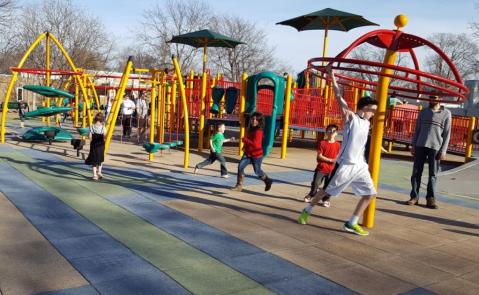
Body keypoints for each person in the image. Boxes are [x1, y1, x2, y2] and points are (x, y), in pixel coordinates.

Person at [297, 65, 378, 236]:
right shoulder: (351, 118)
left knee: (371, 194)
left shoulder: (367, 123)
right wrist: (331, 75)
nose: (373, 114)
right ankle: (307, 210)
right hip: (345, 165)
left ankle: (351, 223)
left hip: (360, 165)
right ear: (365, 108)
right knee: (326, 191)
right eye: (372, 110)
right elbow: (338, 96)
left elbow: (361, 141)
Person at [406, 95, 451, 209]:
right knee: (416, 172)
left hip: (435, 147)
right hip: (420, 145)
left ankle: (430, 198)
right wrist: (414, 145)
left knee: (433, 174)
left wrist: (443, 149)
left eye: (435, 97)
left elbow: (447, 134)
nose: (432, 99)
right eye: (430, 97)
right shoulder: (423, 112)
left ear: (440, 99)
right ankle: (414, 197)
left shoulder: (446, 113)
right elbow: (417, 129)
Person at [230, 112, 273, 192]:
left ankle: (267, 181)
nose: (254, 121)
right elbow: (249, 140)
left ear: (260, 122)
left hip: (256, 155)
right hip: (248, 153)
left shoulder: (258, 132)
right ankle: (239, 186)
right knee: (240, 167)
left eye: (256, 119)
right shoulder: (251, 129)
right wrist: (244, 146)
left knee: (257, 171)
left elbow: (255, 145)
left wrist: (245, 140)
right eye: (253, 119)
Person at [303, 124, 341, 208]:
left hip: (332, 169)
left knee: (328, 185)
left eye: (334, 130)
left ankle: (326, 199)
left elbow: (338, 155)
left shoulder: (338, 145)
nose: (331, 132)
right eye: (329, 130)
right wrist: (331, 160)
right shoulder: (322, 143)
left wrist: (337, 163)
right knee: (315, 183)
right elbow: (319, 156)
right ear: (326, 132)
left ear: (337, 133)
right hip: (321, 168)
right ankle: (311, 194)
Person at [85, 113, 107, 180]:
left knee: (94, 158)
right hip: (100, 143)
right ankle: (99, 171)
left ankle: (94, 175)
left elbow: (89, 136)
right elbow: (104, 136)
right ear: (102, 121)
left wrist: (89, 134)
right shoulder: (103, 127)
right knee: (101, 157)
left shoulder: (91, 127)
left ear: (95, 119)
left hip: (94, 143)